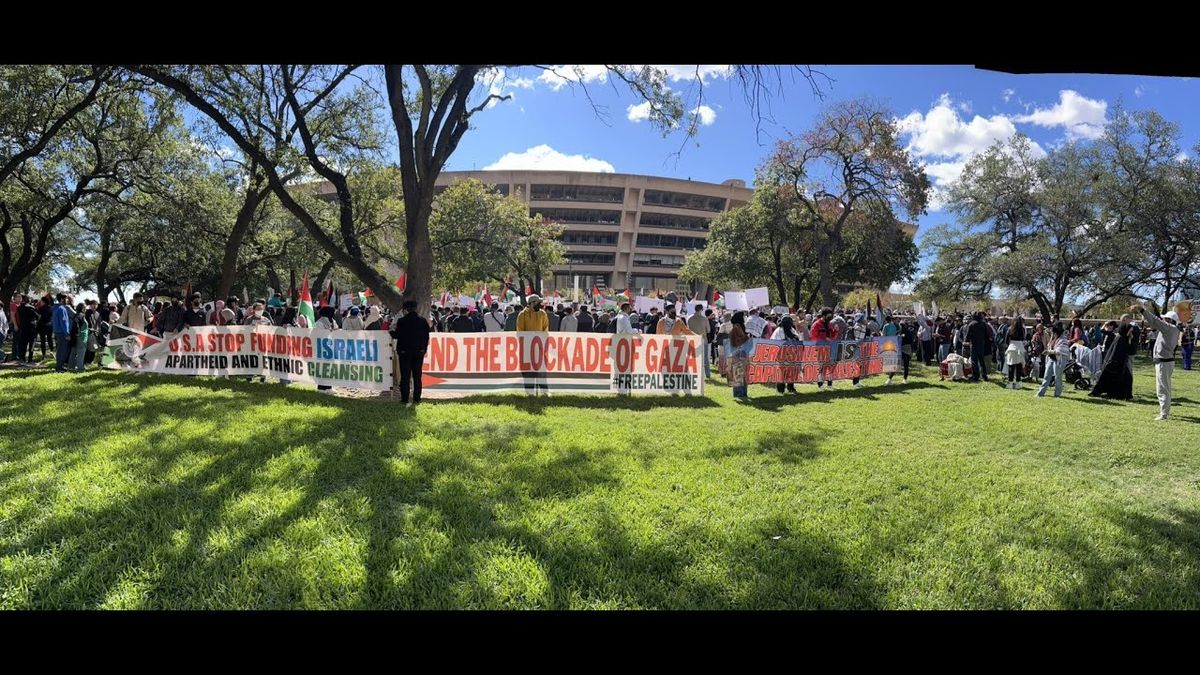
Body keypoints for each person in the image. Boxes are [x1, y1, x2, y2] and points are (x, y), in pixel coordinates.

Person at [1134, 303, 1181, 421]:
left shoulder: (1169, 328)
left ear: (1169, 320)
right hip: (1166, 361)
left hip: (1164, 362)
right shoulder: (1172, 329)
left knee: (1162, 388)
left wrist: (1142, 310)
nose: (1163, 320)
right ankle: (1164, 410)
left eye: (1165, 319)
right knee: (1165, 387)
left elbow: (1155, 321)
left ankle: (1164, 413)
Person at [390, 301, 429, 404]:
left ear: (405, 310)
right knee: (417, 376)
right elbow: (426, 337)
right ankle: (417, 398)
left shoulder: (402, 321)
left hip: (404, 352)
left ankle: (405, 398)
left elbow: (397, 335)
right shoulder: (423, 321)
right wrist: (423, 350)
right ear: (416, 308)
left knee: (405, 376)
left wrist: (391, 331)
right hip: (418, 352)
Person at [1089, 322, 1133, 400]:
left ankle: (1119, 394)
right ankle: (1118, 394)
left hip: (1118, 363)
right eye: (1130, 330)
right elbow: (1120, 352)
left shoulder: (1122, 337)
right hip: (1116, 363)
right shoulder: (1121, 338)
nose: (1131, 332)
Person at [517, 294, 550, 395]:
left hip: (540, 347)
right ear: (532, 303)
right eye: (539, 303)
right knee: (528, 370)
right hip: (527, 348)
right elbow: (520, 331)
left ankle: (544, 391)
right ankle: (530, 391)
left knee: (541, 369)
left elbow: (545, 329)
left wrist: (544, 341)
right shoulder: (522, 315)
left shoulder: (543, 314)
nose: (541, 305)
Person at [1036, 324, 1070, 398]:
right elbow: (1049, 346)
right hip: (1051, 359)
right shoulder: (1053, 338)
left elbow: (1060, 351)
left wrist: (1048, 351)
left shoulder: (1063, 339)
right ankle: (1040, 393)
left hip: (1059, 359)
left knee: (1058, 377)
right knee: (1046, 376)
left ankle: (1057, 394)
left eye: (1052, 332)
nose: (1051, 333)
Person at [770, 315, 799, 393]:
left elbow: (797, 337)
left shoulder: (791, 329)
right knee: (782, 372)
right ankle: (780, 389)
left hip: (791, 355)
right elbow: (774, 343)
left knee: (791, 371)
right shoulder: (778, 331)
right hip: (781, 355)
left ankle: (791, 387)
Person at [726, 311, 752, 400]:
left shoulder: (735, 328)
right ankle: (741, 393)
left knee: (738, 374)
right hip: (741, 353)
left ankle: (740, 393)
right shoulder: (738, 327)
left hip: (736, 353)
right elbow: (740, 339)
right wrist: (748, 337)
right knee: (741, 374)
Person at [1003, 316, 1028, 389]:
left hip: (1012, 347)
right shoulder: (1022, 329)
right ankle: (1018, 383)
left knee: (1011, 365)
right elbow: (1023, 338)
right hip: (1020, 347)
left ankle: (1010, 383)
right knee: (1019, 366)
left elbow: (1006, 340)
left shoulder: (1010, 328)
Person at [687, 304, 711, 379]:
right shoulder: (704, 319)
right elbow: (708, 330)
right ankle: (707, 374)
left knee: (693, 357)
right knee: (705, 358)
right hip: (703, 339)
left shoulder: (689, 318)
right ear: (701, 310)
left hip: (693, 339)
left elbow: (688, 329)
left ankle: (692, 372)